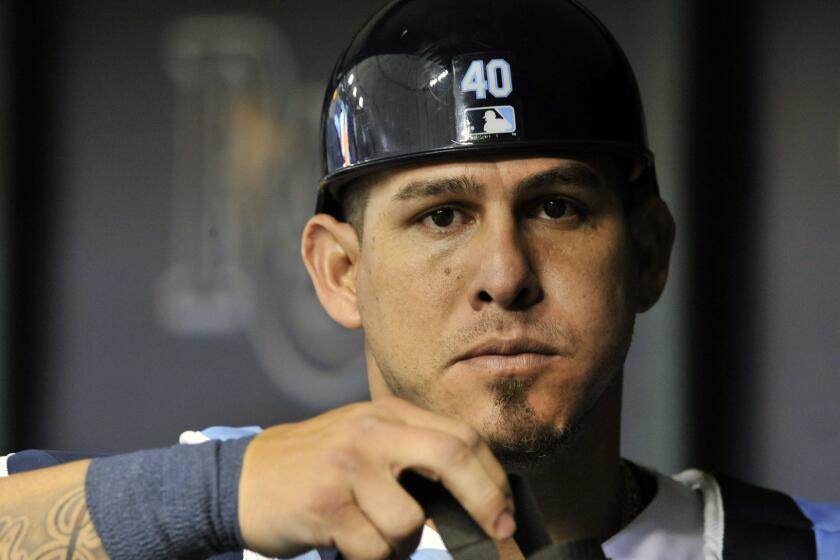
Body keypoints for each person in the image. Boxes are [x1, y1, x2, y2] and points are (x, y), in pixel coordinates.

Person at [1, 0, 838, 559]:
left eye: (556, 207)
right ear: (340, 271)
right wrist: (213, 496)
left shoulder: (802, 546)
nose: (505, 276)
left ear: (649, 253)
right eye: (442, 215)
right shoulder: (222, 522)